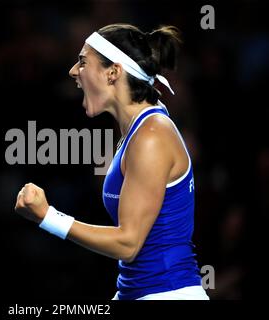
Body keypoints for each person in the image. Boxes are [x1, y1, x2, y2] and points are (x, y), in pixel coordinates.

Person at [14, 23, 209, 300]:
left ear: (113, 72)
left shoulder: (151, 135)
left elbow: (128, 243)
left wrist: (48, 217)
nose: (73, 71)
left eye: (83, 62)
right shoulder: (136, 130)